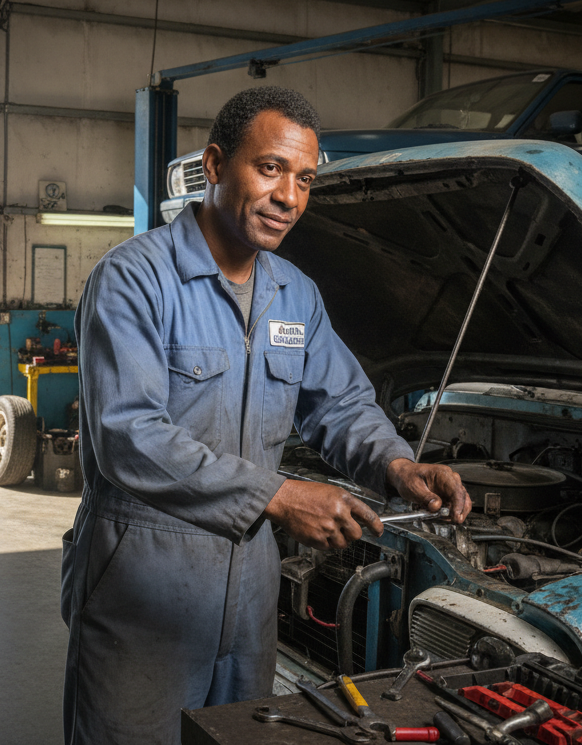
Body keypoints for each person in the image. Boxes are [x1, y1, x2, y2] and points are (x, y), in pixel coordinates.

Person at [62, 86, 471, 744]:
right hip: (142, 583)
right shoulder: (133, 279)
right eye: (271, 168)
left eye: (305, 179)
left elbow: (339, 405)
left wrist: (399, 466)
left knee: (240, 737)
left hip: (249, 588)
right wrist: (278, 494)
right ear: (216, 164)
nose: (290, 197)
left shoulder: (294, 294)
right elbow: (127, 435)